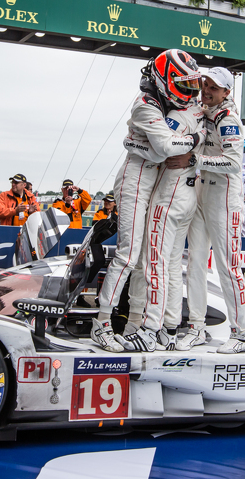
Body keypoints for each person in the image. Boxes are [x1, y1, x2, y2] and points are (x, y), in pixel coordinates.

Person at [91, 49, 205, 353]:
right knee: (128, 255)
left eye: (194, 85)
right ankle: (101, 324)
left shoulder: (174, 104)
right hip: (134, 183)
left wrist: (147, 147)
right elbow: (165, 148)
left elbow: (162, 148)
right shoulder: (144, 106)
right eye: (185, 85)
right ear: (163, 80)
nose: (191, 92)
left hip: (153, 182)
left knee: (144, 263)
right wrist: (192, 142)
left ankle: (133, 327)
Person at [124, 102, 204, 352]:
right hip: (189, 195)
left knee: (153, 263)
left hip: (169, 197)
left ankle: (148, 330)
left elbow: (160, 149)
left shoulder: (177, 115)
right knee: (170, 266)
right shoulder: (204, 113)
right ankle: (169, 330)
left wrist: (130, 143)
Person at [182, 67, 245, 353]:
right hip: (201, 193)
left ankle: (241, 333)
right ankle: (197, 327)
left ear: (226, 92)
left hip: (224, 199)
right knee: (195, 263)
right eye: (205, 84)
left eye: (213, 87)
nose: (206, 90)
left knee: (228, 267)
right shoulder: (202, 110)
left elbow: (234, 164)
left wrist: (195, 159)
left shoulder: (229, 119)